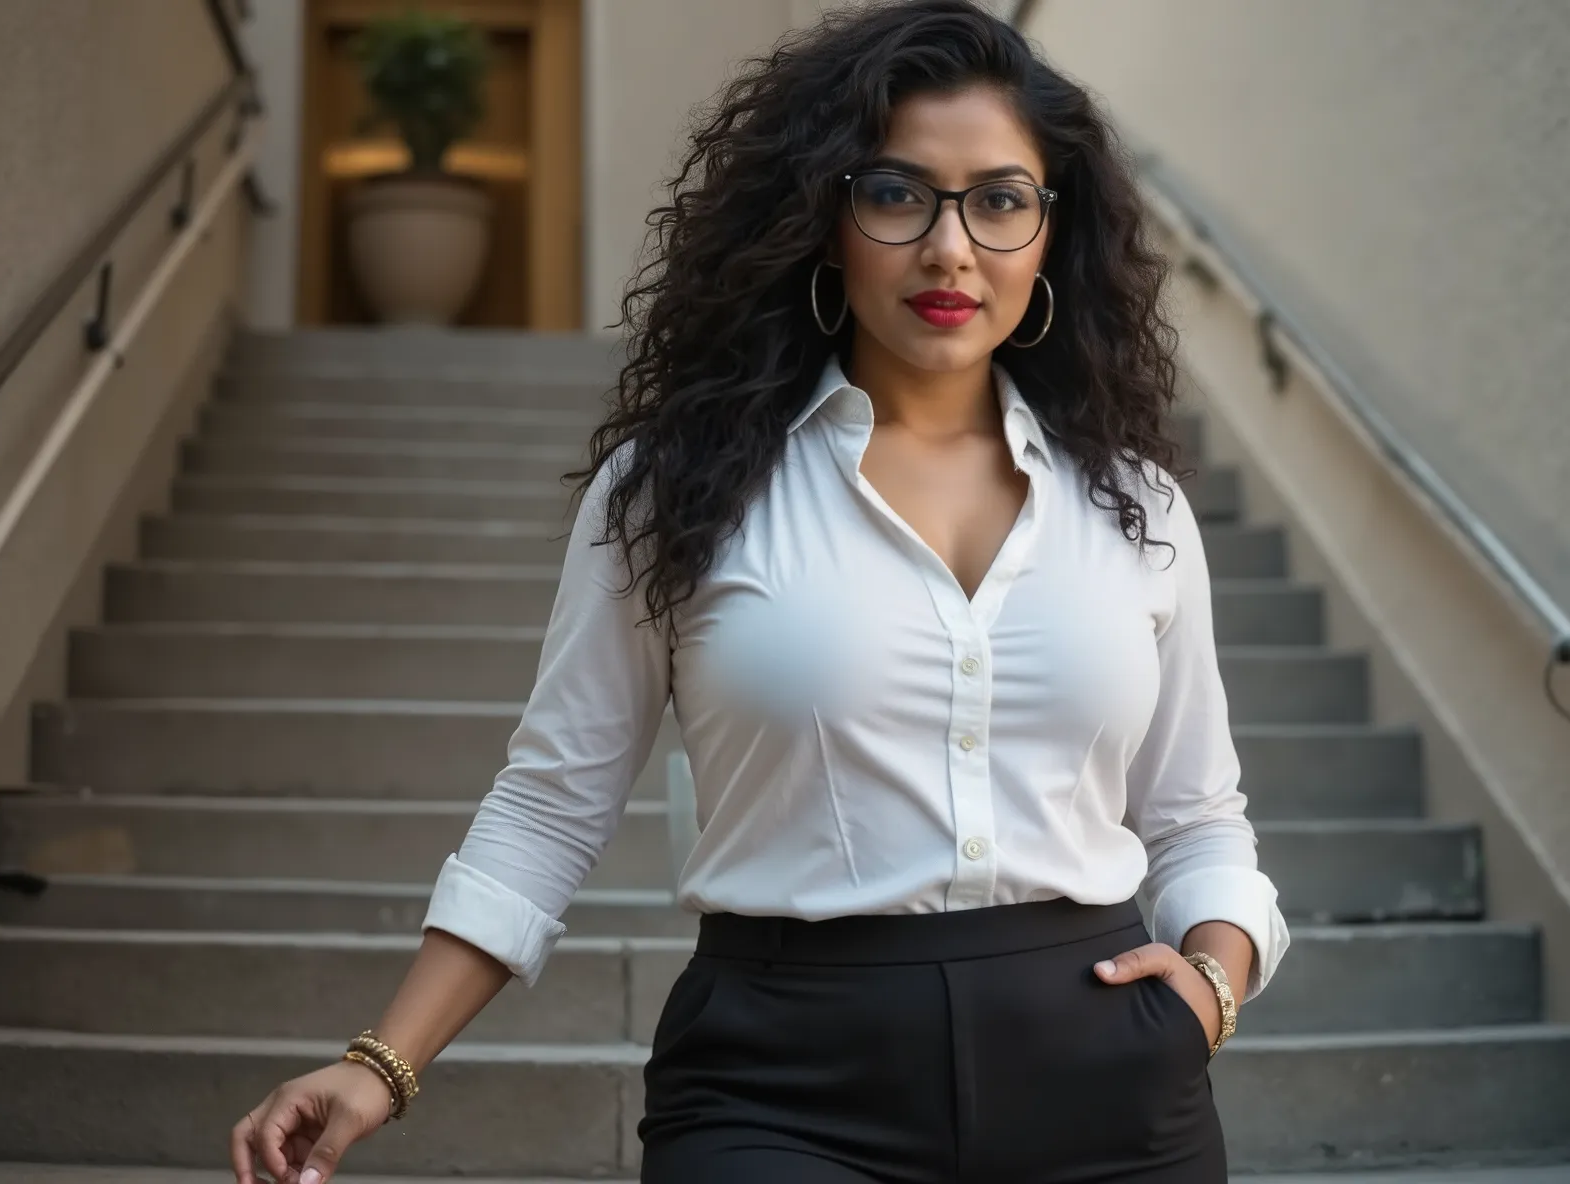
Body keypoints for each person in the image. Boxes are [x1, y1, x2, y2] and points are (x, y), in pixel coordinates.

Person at [231, 2, 1289, 1181]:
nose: (950, 249)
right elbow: (549, 806)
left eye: (998, 199)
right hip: (782, 1088)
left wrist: (1209, 979)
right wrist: (380, 1063)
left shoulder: (1132, 508)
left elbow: (1195, 817)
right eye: (897, 194)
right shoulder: (679, 489)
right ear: (824, 220)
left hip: (1107, 1079)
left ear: (1051, 233)